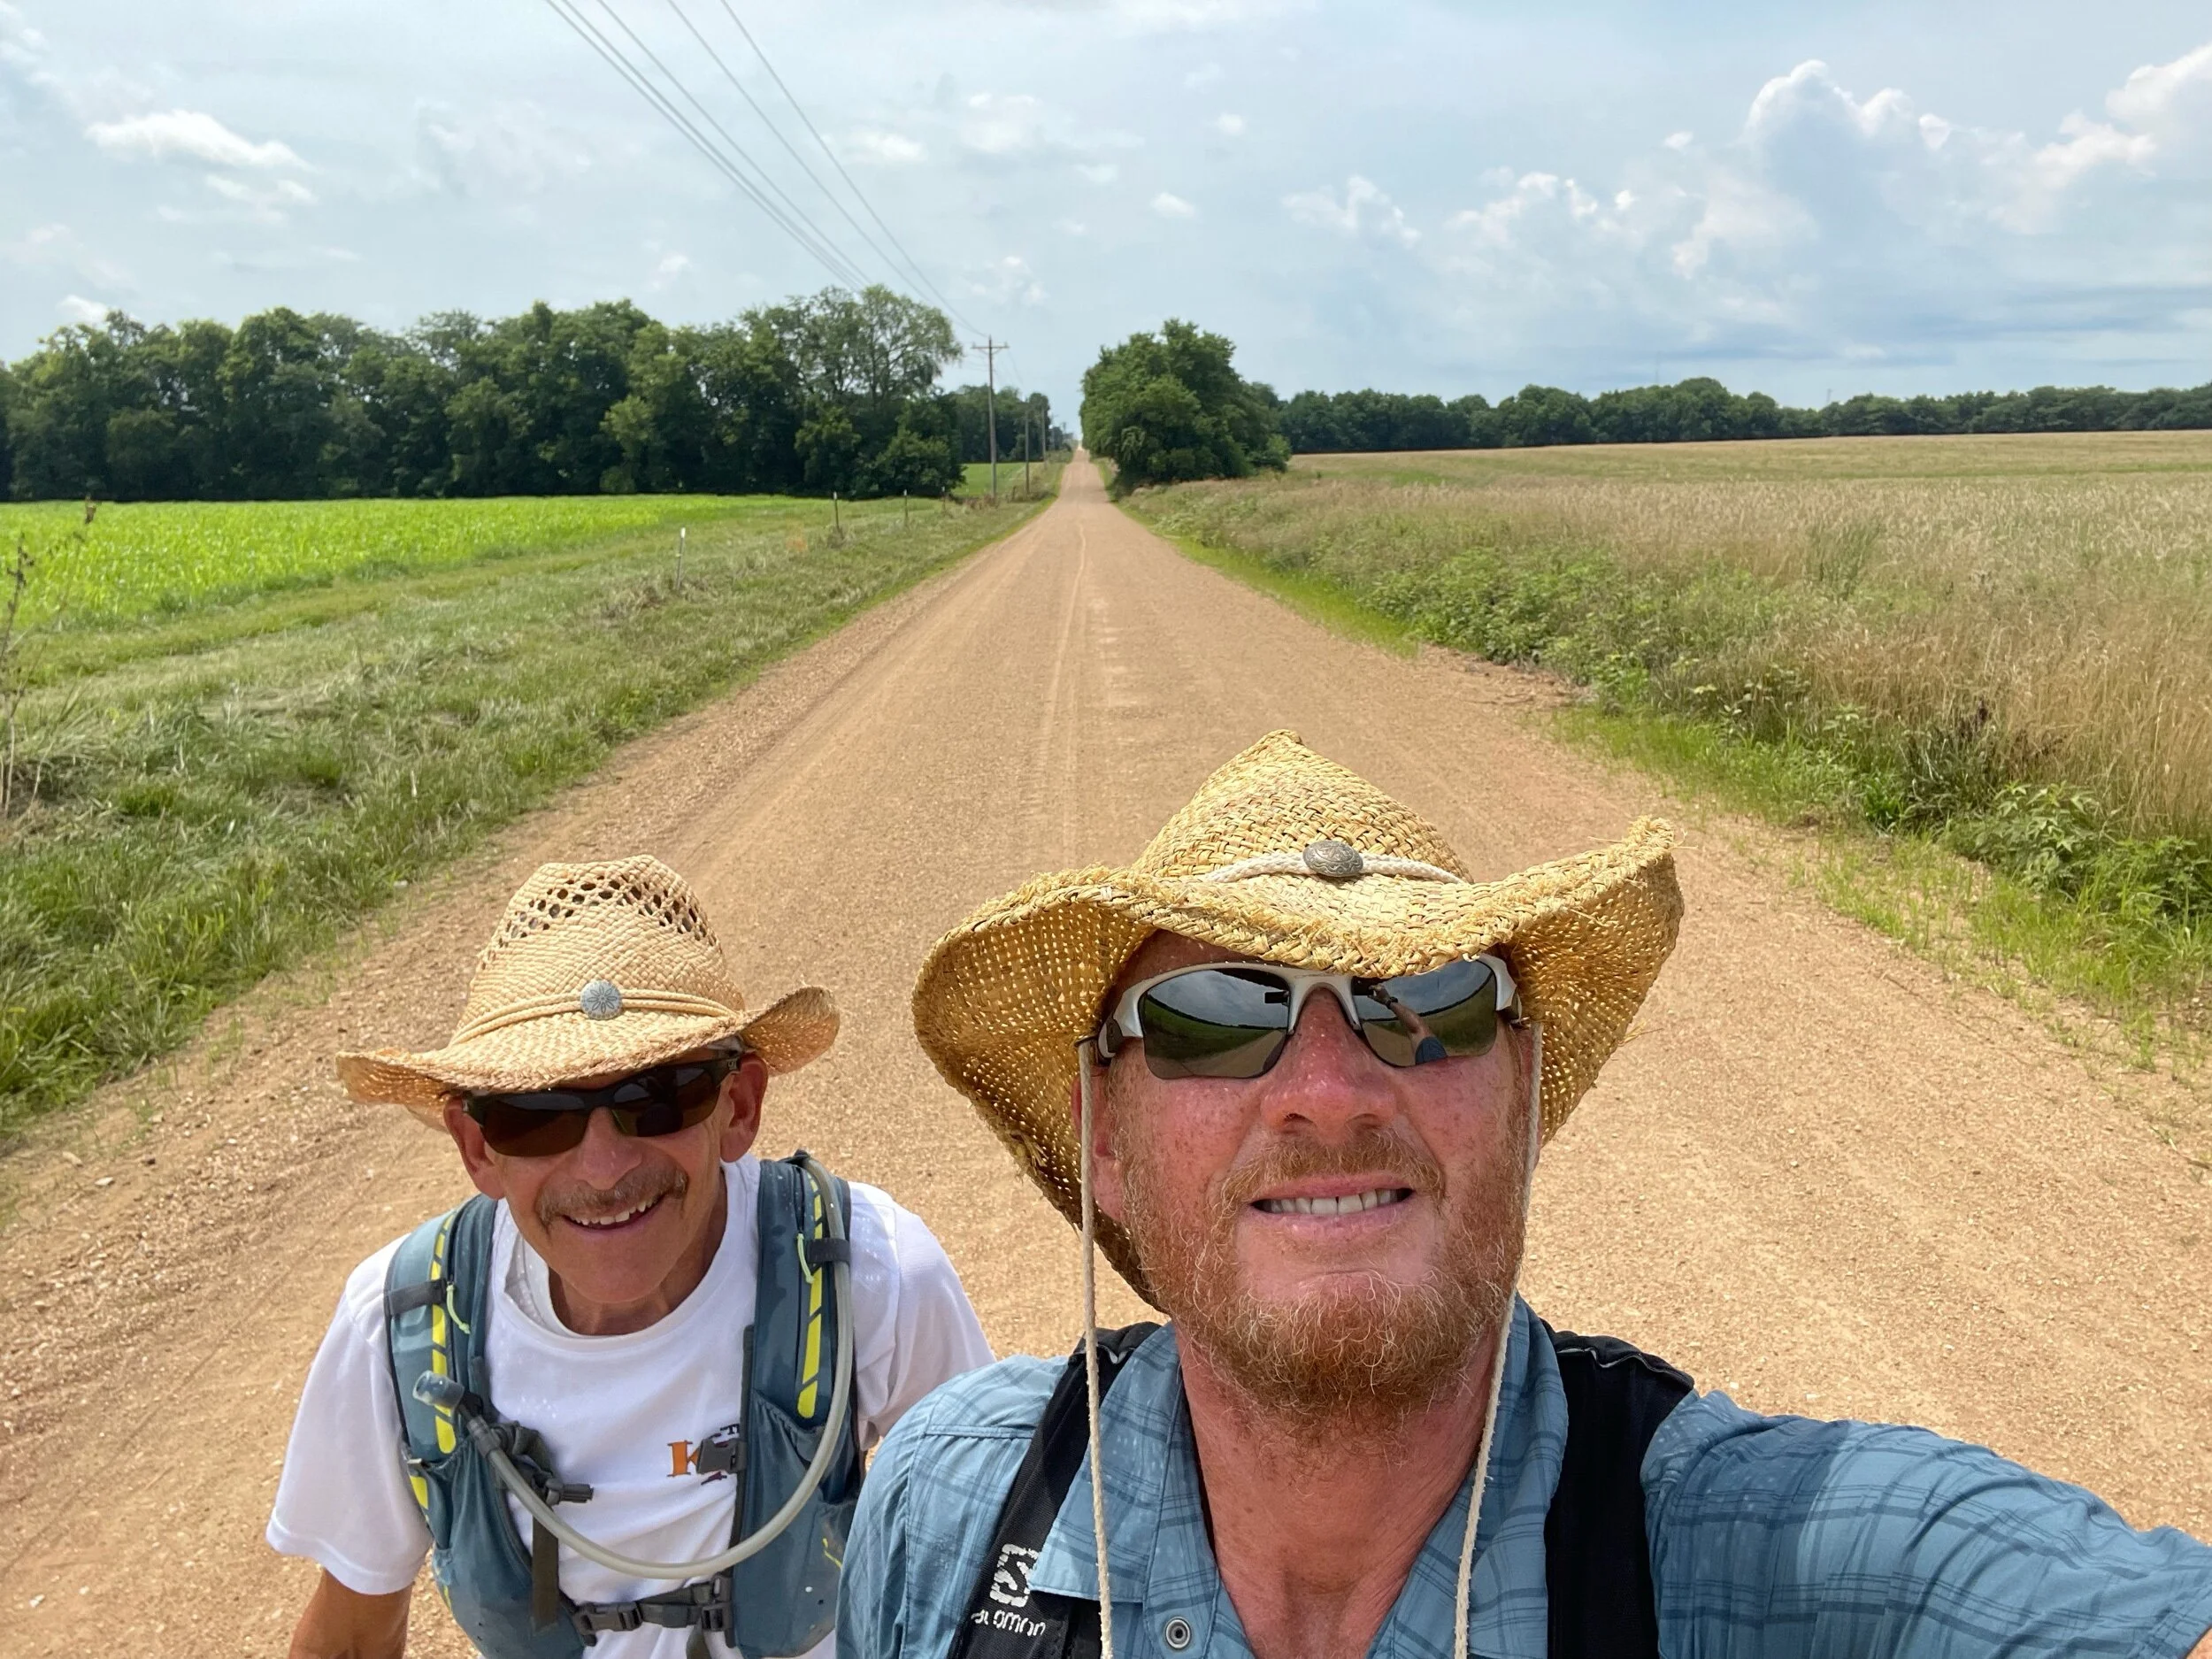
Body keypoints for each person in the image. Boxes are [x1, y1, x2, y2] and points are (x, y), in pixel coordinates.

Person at [849, 730, 2212, 1659]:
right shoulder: (955, 1509)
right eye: (1212, 1015)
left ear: (1522, 1099)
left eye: (1431, 1001)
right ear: (1105, 1141)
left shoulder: (1767, 1558)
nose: (1333, 1088)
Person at [270, 856, 993, 1659]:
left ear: (739, 1107)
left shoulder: (873, 1273)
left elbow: (991, 1566)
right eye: (535, 1114)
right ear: (477, 1148)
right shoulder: (399, 1324)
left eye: (658, 1094)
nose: (605, 1169)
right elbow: (352, 1633)